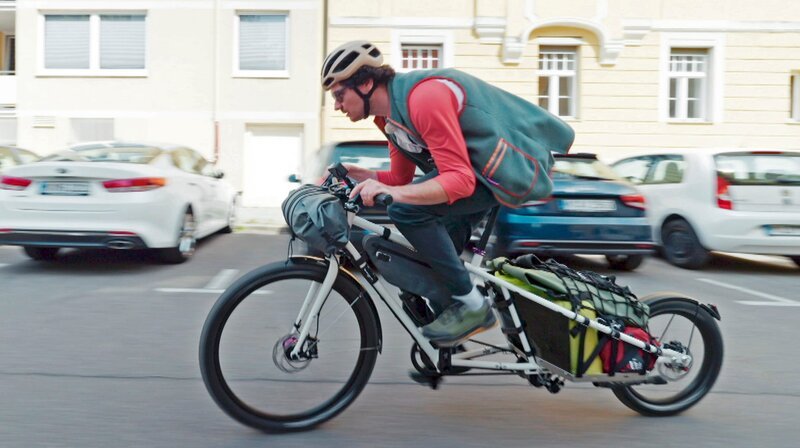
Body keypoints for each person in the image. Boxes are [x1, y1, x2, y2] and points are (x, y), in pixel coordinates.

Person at [321, 40, 573, 346]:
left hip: (500, 175)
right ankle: (450, 351)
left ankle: (474, 306)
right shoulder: (389, 120)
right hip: (469, 175)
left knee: (404, 209)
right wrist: (365, 175)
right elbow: (400, 178)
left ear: (365, 84)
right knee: (429, 265)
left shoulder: (423, 98)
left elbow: (460, 180)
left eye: (339, 95)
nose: (336, 105)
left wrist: (393, 193)